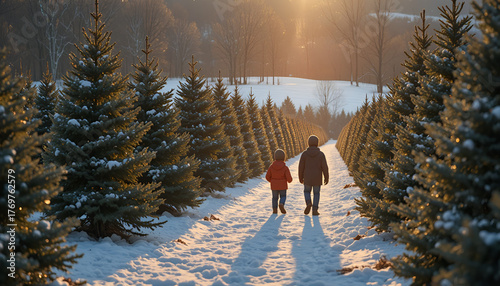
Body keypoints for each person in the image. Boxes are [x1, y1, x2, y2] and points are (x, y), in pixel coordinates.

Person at [298, 135, 329, 215]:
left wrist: (300, 177)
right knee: (316, 193)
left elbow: (301, 167)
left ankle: (308, 202)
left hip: (307, 178)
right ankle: (315, 209)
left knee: (306, 191)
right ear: (317, 143)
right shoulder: (321, 154)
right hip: (317, 178)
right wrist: (326, 177)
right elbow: (325, 167)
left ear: (308, 143)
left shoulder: (304, 154)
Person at [266, 149, 293, 214]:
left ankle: (275, 209)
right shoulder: (285, 167)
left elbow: (267, 177)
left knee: (274, 198)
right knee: (283, 196)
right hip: (283, 186)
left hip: (274, 186)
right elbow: (289, 179)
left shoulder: (271, 167)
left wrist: (272, 181)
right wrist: (289, 180)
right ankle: (281, 203)